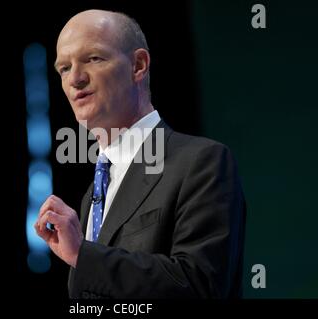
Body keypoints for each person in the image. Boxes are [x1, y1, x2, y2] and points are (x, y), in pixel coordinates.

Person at [35, 9, 246, 298]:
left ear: (138, 65)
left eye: (93, 58)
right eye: (64, 68)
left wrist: (84, 256)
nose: (75, 79)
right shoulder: (93, 194)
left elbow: (199, 285)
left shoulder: (201, 162)